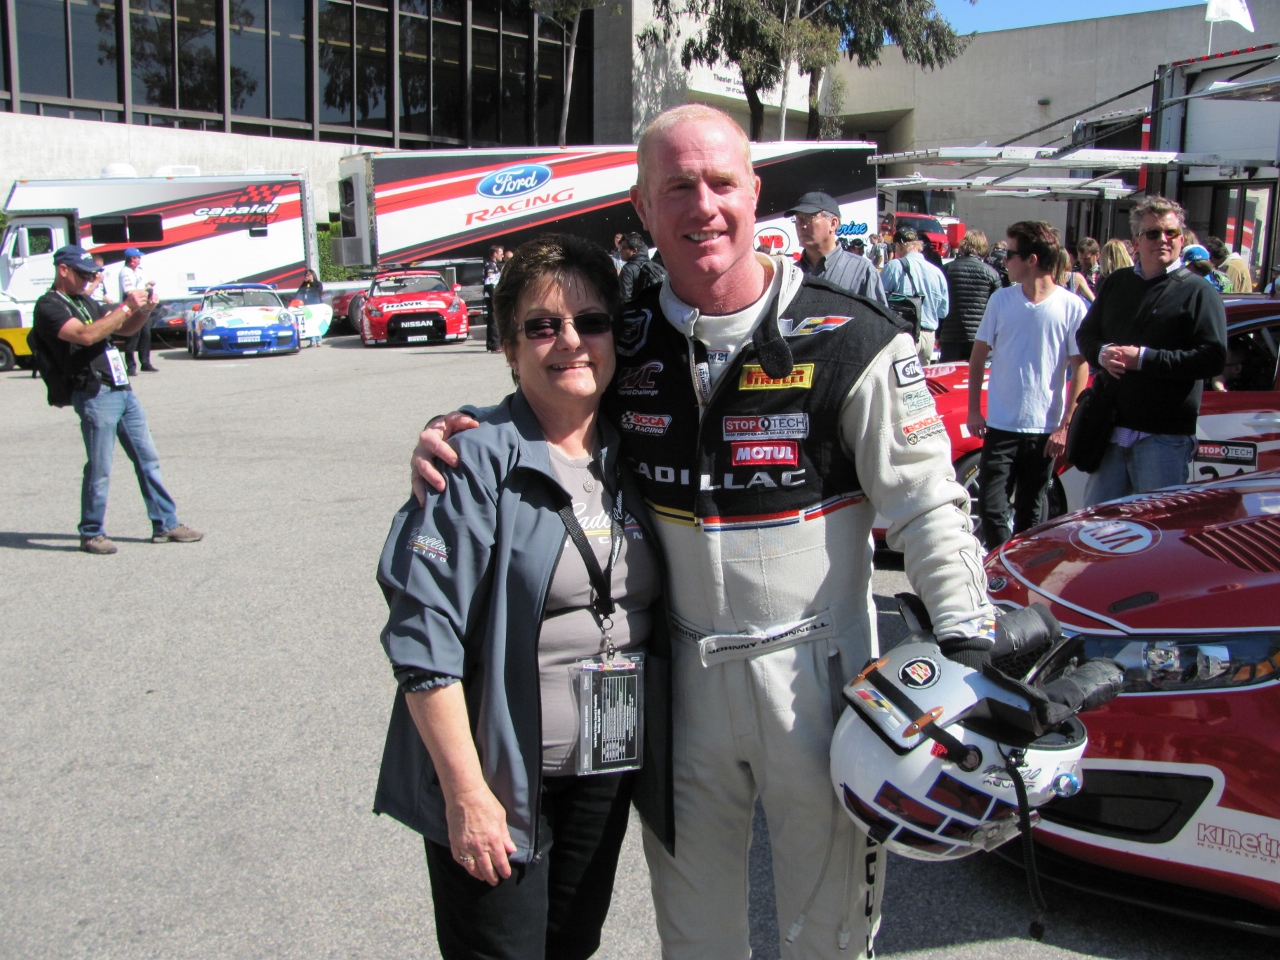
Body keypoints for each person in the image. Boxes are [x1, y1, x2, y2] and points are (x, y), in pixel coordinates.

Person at [411, 103, 995, 960]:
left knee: (828, 932)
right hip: (680, 684)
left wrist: (970, 650)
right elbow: (542, 406)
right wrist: (453, 431)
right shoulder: (624, 337)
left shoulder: (856, 338)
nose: (703, 206)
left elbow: (929, 506)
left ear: (756, 193)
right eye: (676, 187)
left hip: (824, 681)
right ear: (643, 207)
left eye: (722, 182)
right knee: (695, 937)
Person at [376, 234, 665, 960]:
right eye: (542, 325)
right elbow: (423, 642)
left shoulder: (641, 447)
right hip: (501, 778)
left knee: (572, 947)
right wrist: (466, 795)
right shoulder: (471, 459)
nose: (570, 341)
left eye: (590, 322)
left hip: (605, 762)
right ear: (509, 345)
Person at [32, 246, 203, 554]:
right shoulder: (49, 306)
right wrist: (125, 306)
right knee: (100, 467)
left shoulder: (84, 300)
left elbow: (121, 330)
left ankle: (165, 523)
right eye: (82, 274)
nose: (88, 280)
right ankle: (91, 532)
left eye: (91, 274)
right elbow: (85, 335)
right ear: (63, 270)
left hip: (121, 388)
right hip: (93, 391)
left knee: (147, 459)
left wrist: (143, 311)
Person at [1076, 196, 1226, 506]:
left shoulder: (1199, 291)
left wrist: (1144, 359)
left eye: (1171, 233)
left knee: (1156, 535)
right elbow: (1086, 334)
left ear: (1181, 239)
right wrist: (1102, 353)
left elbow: (1213, 357)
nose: (1163, 240)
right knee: (1098, 534)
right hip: (1110, 431)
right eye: (1153, 233)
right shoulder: (1116, 283)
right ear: (1136, 241)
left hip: (1163, 438)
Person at [967, 222, 1088, 549]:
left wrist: (1065, 426)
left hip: (1044, 429)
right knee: (992, 508)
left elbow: (1080, 368)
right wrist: (974, 411)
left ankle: (1017, 581)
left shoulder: (1071, 306)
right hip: (1001, 424)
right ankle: (999, 569)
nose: (1004, 261)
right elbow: (978, 357)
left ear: (1032, 259)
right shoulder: (1001, 300)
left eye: (1009, 254)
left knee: (1030, 513)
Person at [788, 191, 887, 304]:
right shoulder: (789, 274)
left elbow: (878, 320)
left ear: (833, 223)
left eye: (809, 217)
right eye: (797, 219)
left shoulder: (862, 271)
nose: (802, 225)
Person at [881, 226, 949, 365]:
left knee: (897, 384)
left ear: (899, 246)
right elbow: (943, 312)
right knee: (924, 384)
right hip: (928, 338)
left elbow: (878, 301)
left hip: (903, 336)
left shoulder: (894, 266)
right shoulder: (936, 272)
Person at [940, 230, 1000, 362]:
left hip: (950, 334)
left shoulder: (947, 269)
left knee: (949, 377)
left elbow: (940, 304)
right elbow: (998, 309)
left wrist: (939, 334)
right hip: (980, 336)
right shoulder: (991, 273)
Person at [117, 247, 156, 373]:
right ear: (132, 259)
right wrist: (144, 291)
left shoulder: (138, 271)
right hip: (132, 305)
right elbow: (129, 291)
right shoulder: (125, 272)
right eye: (138, 257)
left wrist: (149, 285)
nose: (140, 259)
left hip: (142, 304)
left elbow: (143, 284)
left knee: (146, 335)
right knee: (133, 335)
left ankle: (145, 363)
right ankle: (131, 366)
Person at [616, 232, 667, 301]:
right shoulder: (655, 265)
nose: (620, 251)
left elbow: (624, 299)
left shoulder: (628, 269)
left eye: (624, 248)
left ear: (634, 250)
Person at [483, 245, 504, 353]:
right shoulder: (490, 265)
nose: (502, 255)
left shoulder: (494, 265)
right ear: (495, 254)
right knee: (494, 319)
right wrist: (495, 297)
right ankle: (494, 345)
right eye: (501, 253)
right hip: (491, 295)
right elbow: (490, 283)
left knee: (492, 319)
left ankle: (491, 345)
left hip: (492, 294)